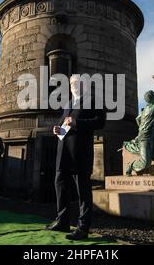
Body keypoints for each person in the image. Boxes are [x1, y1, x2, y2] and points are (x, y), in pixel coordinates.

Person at [46, 74, 106, 240]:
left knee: (83, 191)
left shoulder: (94, 100)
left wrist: (78, 123)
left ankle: (83, 227)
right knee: (60, 184)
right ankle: (62, 221)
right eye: (72, 83)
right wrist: (56, 129)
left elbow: (101, 122)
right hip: (63, 152)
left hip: (80, 153)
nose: (75, 85)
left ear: (85, 85)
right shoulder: (68, 104)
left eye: (79, 83)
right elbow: (61, 124)